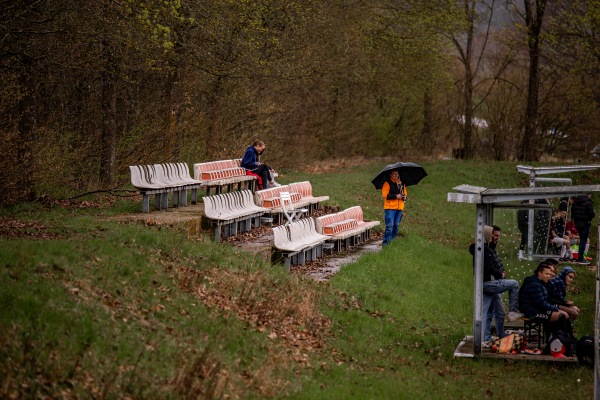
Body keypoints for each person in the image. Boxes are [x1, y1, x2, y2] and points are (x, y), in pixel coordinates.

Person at [469, 225, 523, 345]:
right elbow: (489, 267)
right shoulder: (484, 250)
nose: (497, 238)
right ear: (488, 235)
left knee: (496, 311)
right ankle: (512, 311)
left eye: (498, 236)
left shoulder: (487, 248)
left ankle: (492, 336)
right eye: (495, 235)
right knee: (514, 284)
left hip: (486, 283)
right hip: (489, 283)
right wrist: (500, 274)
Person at [518, 263, 572, 336]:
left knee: (563, 315)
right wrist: (557, 309)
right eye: (546, 274)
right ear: (539, 273)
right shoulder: (535, 284)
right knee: (561, 316)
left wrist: (556, 308)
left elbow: (545, 302)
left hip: (539, 309)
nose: (549, 276)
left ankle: (563, 338)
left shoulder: (542, 283)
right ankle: (558, 339)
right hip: (532, 312)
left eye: (549, 274)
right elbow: (541, 303)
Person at [381, 170, 407, 246]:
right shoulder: (387, 183)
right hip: (390, 208)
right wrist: (396, 196)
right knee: (390, 226)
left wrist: (404, 197)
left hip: (399, 208)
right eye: (394, 174)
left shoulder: (401, 184)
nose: (396, 175)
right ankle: (385, 245)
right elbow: (385, 195)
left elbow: (405, 194)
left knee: (396, 226)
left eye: (397, 174)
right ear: (390, 175)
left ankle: (392, 244)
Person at [571, 194, 595, 265]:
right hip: (585, 223)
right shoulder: (588, 202)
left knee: (582, 239)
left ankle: (580, 257)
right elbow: (592, 214)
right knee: (583, 240)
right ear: (589, 195)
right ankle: (580, 258)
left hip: (577, 223)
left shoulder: (575, 202)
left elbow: (572, 213)